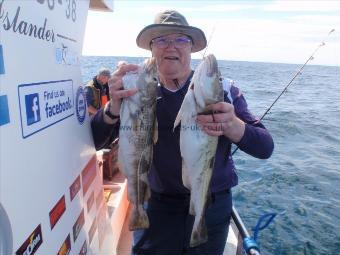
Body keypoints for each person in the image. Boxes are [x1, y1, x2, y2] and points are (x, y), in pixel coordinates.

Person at [91, 10, 274, 255]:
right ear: (152, 49)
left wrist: (233, 125)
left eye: (181, 40)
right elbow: (94, 140)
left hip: (211, 206)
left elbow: (265, 147)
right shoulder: (137, 90)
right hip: (156, 208)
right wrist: (113, 107)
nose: (171, 47)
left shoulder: (222, 90)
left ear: (191, 48)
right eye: (162, 40)